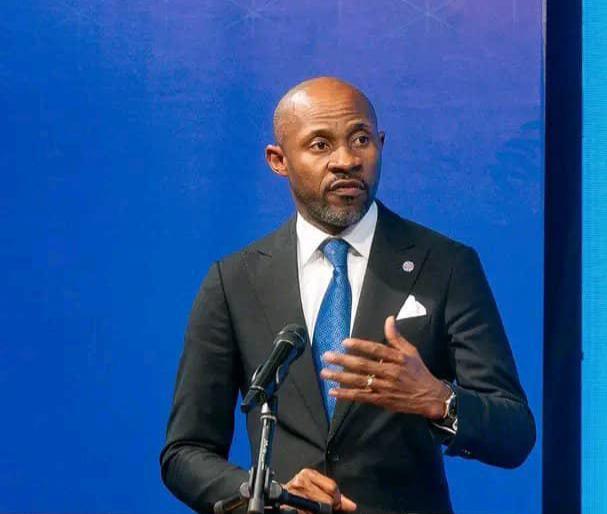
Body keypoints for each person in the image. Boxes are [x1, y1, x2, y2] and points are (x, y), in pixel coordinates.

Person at [160, 77, 536, 514]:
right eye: (320, 145)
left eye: (360, 140)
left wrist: (438, 400)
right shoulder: (235, 281)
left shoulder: (446, 265)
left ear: (381, 144)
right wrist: (269, 496)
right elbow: (184, 453)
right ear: (279, 160)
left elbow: (515, 432)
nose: (346, 160)